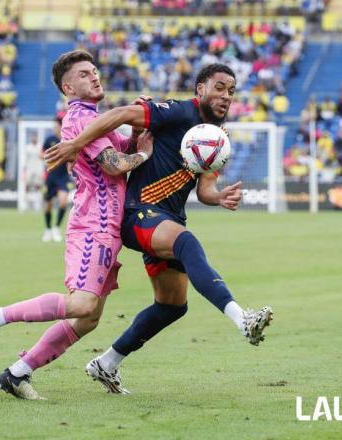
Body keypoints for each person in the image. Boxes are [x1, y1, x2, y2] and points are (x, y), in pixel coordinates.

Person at [45, 63, 273, 394]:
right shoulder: (178, 112)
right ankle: (242, 318)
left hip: (167, 219)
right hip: (138, 214)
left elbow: (205, 188)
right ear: (200, 90)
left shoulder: (217, 137)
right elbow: (122, 113)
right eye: (220, 87)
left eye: (231, 91)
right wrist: (77, 143)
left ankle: (106, 363)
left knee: (172, 305)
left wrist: (219, 197)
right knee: (188, 244)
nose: (226, 96)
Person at [0, 50, 153, 400]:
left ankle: (16, 373)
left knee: (90, 317)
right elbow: (115, 166)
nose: (95, 76)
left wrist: (137, 134)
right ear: (68, 86)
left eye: (95, 71)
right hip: (93, 224)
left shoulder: (94, 119)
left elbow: (117, 154)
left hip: (108, 228)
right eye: (85, 74)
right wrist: (143, 152)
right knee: (82, 305)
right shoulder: (80, 120)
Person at [40, 116, 72, 242]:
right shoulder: (49, 139)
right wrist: (49, 157)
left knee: (63, 201)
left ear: (61, 125)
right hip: (51, 176)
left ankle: (56, 228)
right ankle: (48, 229)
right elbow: (41, 154)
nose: (54, 127)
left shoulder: (67, 139)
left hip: (63, 176)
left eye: (55, 125)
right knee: (48, 205)